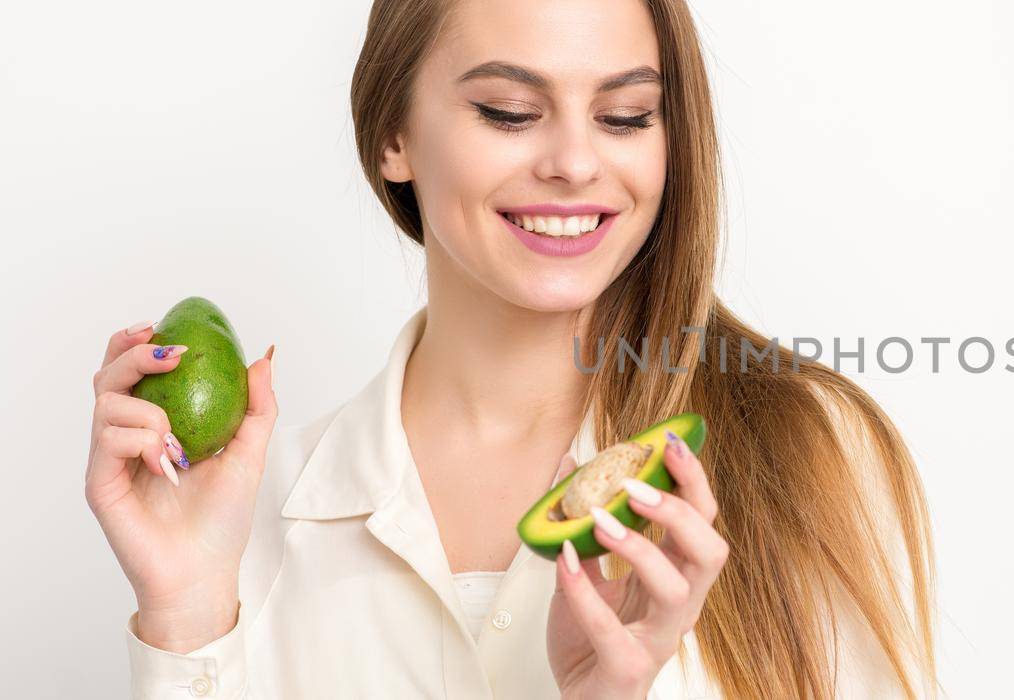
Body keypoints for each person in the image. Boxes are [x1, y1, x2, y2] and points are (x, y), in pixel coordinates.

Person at [84, 0, 938, 697]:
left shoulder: (808, 455)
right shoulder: (250, 518)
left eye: (625, 115)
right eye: (510, 112)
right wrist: (186, 620)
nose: (574, 161)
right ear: (394, 136)